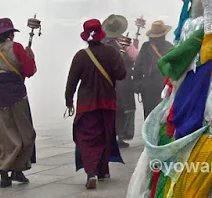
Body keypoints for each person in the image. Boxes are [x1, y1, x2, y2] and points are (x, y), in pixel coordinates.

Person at [65, 19, 126, 189]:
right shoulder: (112, 53)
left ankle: (91, 172)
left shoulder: (81, 56)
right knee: (105, 136)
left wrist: (68, 100)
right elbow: (122, 74)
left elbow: (72, 81)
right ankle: (102, 171)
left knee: (86, 139)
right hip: (107, 103)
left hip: (86, 104)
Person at [0, 18, 37, 188]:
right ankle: (13, 168)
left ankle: (9, 171)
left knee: (1, 137)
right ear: (10, 33)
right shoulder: (17, 48)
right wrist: (30, 57)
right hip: (16, 97)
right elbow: (29, 71)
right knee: (25, 134)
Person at [102, 14, 139, 148]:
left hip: (107, 82)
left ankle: (110, 136)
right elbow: (136, 57)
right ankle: (119, 136)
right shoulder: (123, 43)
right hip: (122, 81)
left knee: (112, 110)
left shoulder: (102, 42)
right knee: (123, 110)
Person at [134, 20, 174, 119]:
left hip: (149, 86)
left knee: (149, 115)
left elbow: (137, 67)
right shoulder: (170, 46)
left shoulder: (146, 47)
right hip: (165, 85)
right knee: (163, 114)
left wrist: (137, 84)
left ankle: (148, 133)